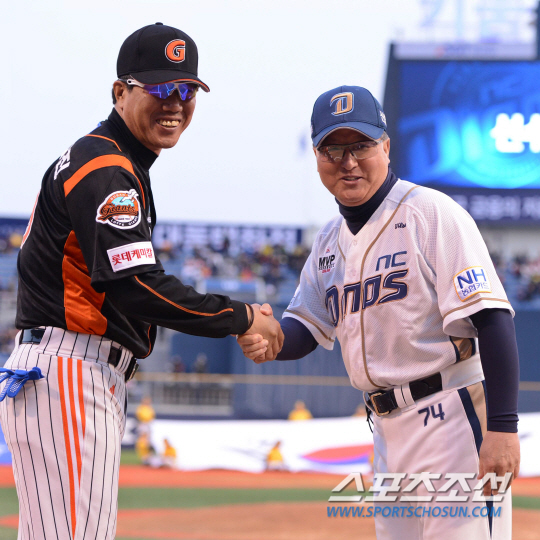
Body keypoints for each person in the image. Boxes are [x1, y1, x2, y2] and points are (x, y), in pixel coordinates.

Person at [0, 23, 282, 540]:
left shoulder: (105, 158)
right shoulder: (107, 166)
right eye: (160, 88)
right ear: (120, 92)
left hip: (66, 368)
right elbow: (135, 286)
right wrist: (240, 316)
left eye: (187, 90)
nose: (175, 103)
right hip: (70, 368)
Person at [238, 85, 520, 539]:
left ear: (386, 147)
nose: (347, 161)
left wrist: (503, 428)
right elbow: (306, 326)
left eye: (361, 145)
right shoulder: (327, 242)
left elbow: (492, 317)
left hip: (452, 413)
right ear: (317, 157)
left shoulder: (431, 212)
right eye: (333, 149)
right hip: (387, 429)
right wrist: (268, 336)